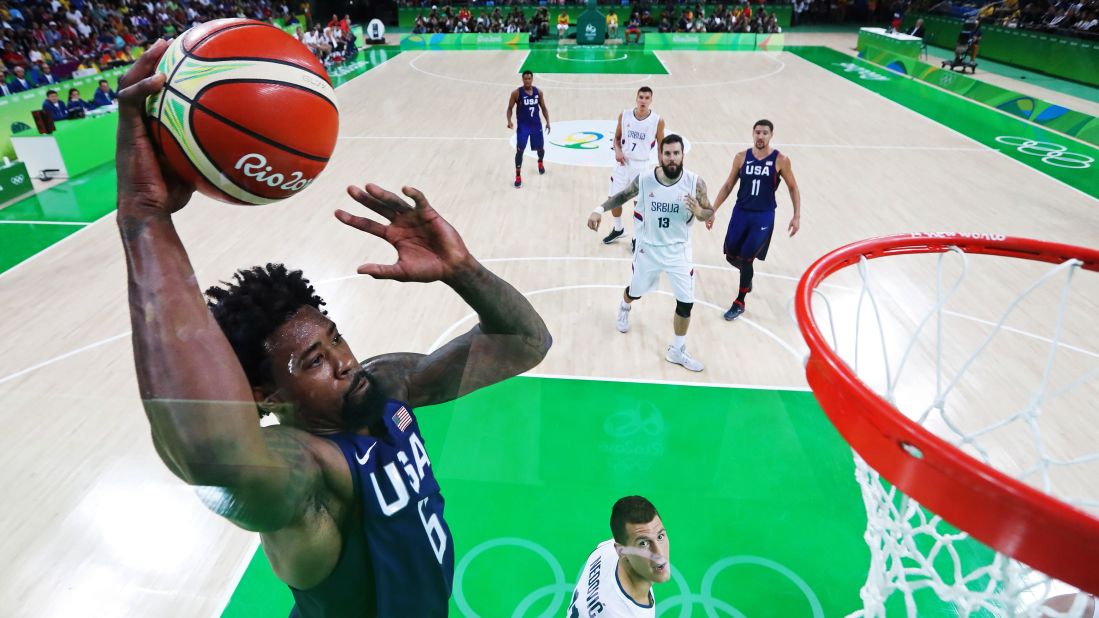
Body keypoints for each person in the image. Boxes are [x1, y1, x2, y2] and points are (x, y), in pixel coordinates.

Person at [115, 40, 552, 616]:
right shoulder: (305, 478)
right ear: (265, 395)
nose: (344, 360)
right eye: (312, 362)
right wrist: (145, 216)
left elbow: (526, 343)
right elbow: (213, 457)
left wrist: (462, 271)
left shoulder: (385, 385)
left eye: (334, 339)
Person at [588, 134, 712, 372]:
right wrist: (598, 210)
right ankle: (625, 306)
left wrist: (699, 211)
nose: (672, 158)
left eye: (676, 153)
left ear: (683, 155)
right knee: (635, 292)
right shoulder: (645, 180)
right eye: (668, 153)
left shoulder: (695, 183)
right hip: (648, 250)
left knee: (686, 303)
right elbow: (622, 196)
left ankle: (677, 350)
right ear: (660, 156)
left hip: (679, 252)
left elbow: (709, 213)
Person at [705, 119, 801, 321]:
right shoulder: (741, 157)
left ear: (771, 135)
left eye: (765, 133)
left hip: (763, 216)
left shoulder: (781, 160)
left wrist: (796, 215)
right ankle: (747, 278)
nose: (760, 136)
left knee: (747, 258)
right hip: (741, 212)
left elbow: (793, 187)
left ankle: (739, 302)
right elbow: (728, 185)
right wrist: (713, 209)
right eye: (757, 132)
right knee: (731, 255)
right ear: (752, 133)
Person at [566, 496, 671, 617]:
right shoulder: (626, 614)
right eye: (643, 544)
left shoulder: (605, 549)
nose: (659, 554)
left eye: (660, 536)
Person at [601, 86, 665, 248]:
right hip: (623, 164)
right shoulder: (625, 116)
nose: (643, 101)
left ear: (651, 100)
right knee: (614, 200)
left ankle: (637, 237)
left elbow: (660, 146)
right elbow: (616, 139)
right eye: (641, 97)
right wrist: (618, 151)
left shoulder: (657, 120)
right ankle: (618, 228)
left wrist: (662, 167)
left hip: (641, 166)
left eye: (647, 98)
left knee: (638, 204)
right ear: (636, 98)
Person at [506, 70, 551, 189]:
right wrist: (509, 121)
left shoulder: (538, 92)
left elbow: (544, 108)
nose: (527, 81)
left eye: (529, 78)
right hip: (523, 127)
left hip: (536, 126)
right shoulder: (516, 93)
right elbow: (510, 108)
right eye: (525, 79)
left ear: (532, 79)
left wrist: (548, 122)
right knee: (520, 151)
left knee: (540, 149)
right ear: (522, 79)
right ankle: (518, 176)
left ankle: (540, 162)